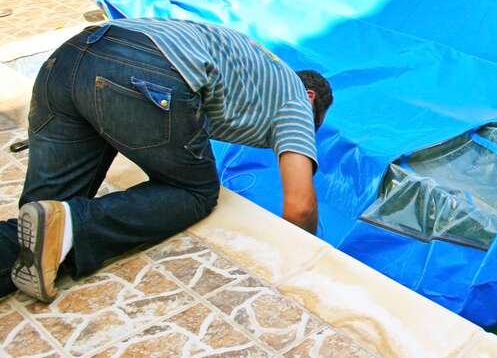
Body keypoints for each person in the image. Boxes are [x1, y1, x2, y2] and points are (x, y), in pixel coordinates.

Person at [0, 18, 333, 303]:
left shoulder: (260, 68)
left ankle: (59, 226)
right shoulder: (297, 99)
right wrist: (303, 260)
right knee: (196, 193)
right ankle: (72, 223)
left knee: (39, 229)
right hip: (143, 68)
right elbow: (300, 205)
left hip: (70, 58)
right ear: (312, 97)